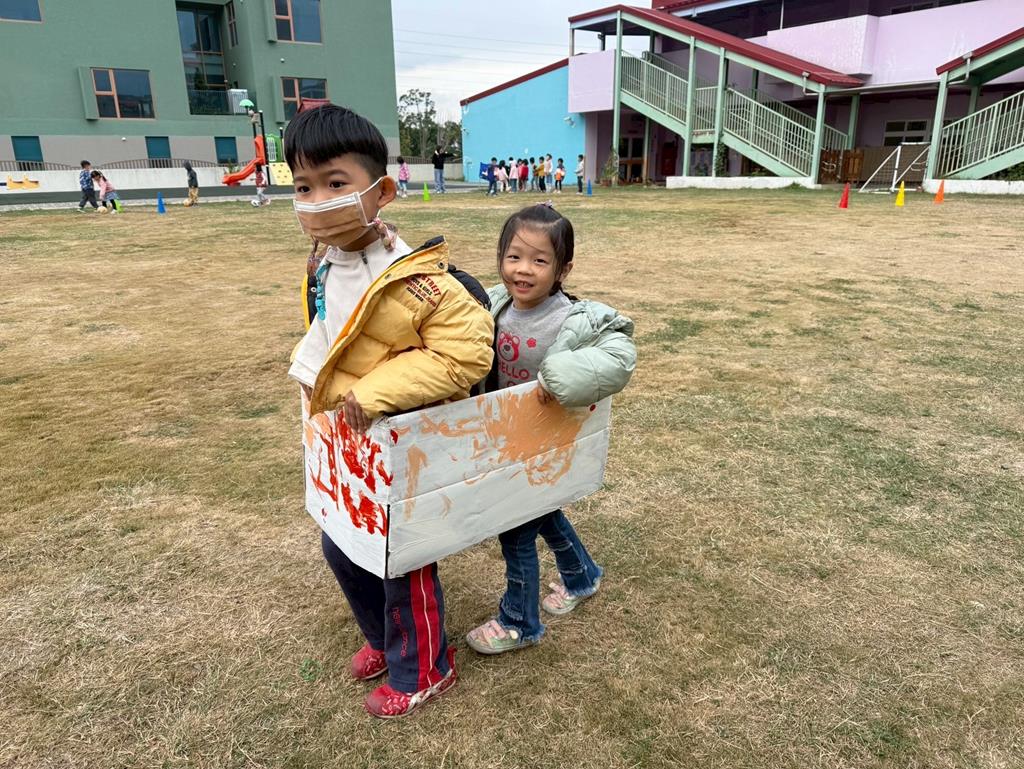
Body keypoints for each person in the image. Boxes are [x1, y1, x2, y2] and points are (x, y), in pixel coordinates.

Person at [285, 104, 494, 718]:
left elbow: (465, 354)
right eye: (303, 187)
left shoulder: (420, 280)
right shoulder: (325, 264)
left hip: (404, 440)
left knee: (400, 559)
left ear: (381, 192)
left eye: (335, 183)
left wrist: (375, 392)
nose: (317, 201)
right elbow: (331, 336)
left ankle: (424, 669)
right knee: (340, 546)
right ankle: (381, 638)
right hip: (347, 441)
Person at [465, 203, 636, 655]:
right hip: (508, 436)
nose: (523, 269)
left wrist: (559, 377)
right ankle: (582, 576)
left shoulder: (572, 318)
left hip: (547, 440)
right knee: (543, 513)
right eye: (514, 257)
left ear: (563, 269)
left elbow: (615, 359)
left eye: (539, 260)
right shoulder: (495, 305)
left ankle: (519, 622)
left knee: (515, 528)